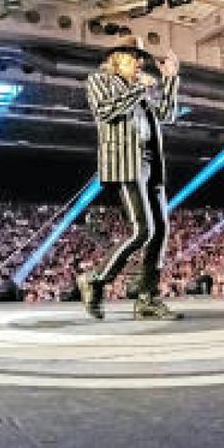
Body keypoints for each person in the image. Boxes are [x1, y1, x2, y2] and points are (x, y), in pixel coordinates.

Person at [78, 37, 182, 320]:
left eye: (140, 58)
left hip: (152, 165)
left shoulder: (141, 87)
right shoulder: (99, 79)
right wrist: (139, 88)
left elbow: (167, 114)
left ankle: (148, 298)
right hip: (126, 164)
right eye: (134, 57)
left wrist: (170, 80)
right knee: (141, 231)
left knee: (160, 232)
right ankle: (95, 279)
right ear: (116, 57)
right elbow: (105, 111)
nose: (139, 63)